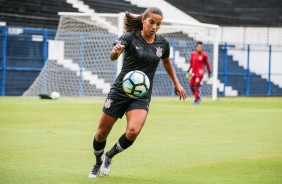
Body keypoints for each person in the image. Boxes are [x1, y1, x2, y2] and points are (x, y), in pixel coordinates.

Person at [88, 7, 186, 178]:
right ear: (143, 21)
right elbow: (113, 56)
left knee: (133, 131)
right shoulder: (129, 37)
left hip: (142, 94)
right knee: (101, 133)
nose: (155, 26)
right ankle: (98, 162)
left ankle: (109, 156)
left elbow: (166, 62)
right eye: (152, 22)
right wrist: (115, 53)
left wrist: (176, 83)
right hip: (120, 91)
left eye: (158, 24)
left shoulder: (162, 44)